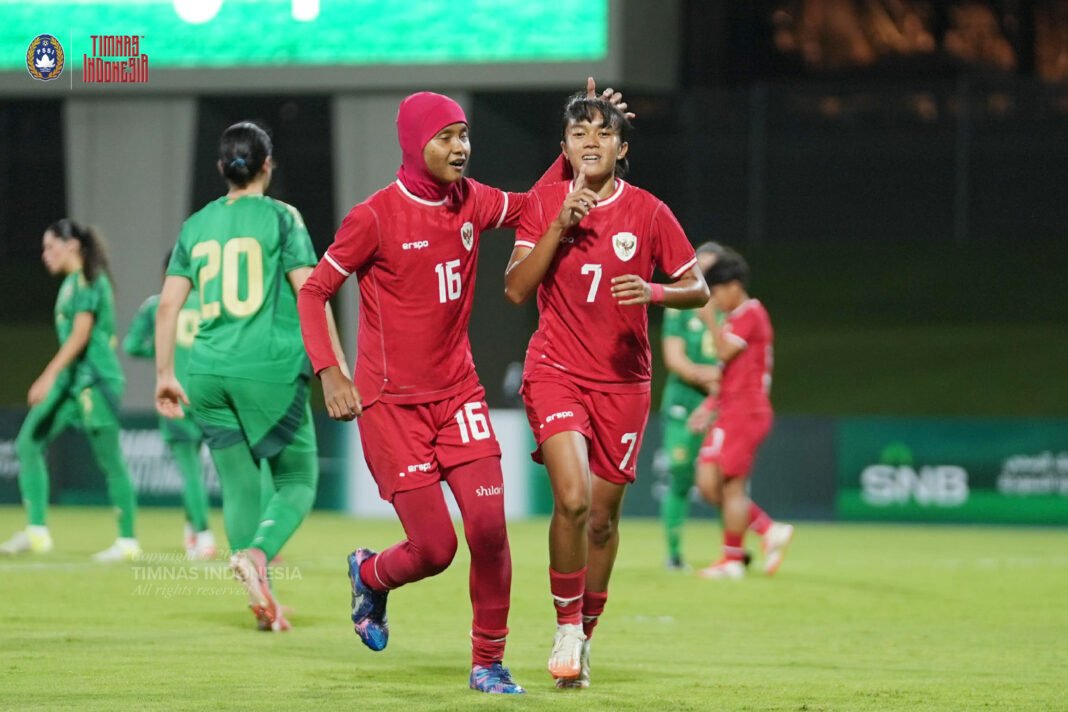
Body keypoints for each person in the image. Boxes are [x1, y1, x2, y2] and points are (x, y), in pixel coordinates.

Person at [298, 81, 628, 694]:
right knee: (434, 549)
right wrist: (331, 371)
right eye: (446, 137)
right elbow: (314, 290)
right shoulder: (374, 217)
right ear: (414, 143)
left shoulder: (472, 200)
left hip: (459, 397)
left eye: (464, 135)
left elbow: (534, 205)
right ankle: (370, 575)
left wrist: (580, 149)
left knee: (489, 529)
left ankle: (488, 663)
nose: (460, 147)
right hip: (392, 406)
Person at [503, 94, 709, 689]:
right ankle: (566, 628)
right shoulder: (545, 202)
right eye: (579, 132)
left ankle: (586, 633)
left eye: (602, 132)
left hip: (623, 381)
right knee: (571, 500)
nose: (590, 140)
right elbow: (515, 288)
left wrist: (655, 292)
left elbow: (696, 286)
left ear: (622, 148)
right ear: (564, 149)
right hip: (555, 370)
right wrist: (559, 224)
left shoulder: (649, 211)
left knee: (600, 519)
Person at [155, 121, 345, 631]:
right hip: (266, 366)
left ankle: (263, 600)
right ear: (267, 165)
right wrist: (335, 366)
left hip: (205, 371)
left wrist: (165, 374)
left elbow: (168, 305)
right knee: (297, 478)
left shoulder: (196, 224)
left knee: (238, 483)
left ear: (222, 168)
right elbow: (311, 292)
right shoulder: (283, 218)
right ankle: (259, 556)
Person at [0, 219, 141, 561]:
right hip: (70, 382)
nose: (45, 254)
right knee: (29, 442)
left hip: (94, 380)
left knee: (110, 460)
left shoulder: (90, 281)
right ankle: (37, 533)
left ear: (72, 246)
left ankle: (128, 542)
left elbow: (80, 336)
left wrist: (47, 375)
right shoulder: (69, 285)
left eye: (51, 247)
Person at [688, 248, 794, 580]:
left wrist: (708, 318)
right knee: (708, 484)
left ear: (734, 286)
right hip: (729, 409)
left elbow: (722, 352)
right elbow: (728, 371)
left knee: (732, 486)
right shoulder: (736, 319)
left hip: (746, 410)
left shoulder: (751, 314)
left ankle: (732, 559)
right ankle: (767, 529)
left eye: (717, 292)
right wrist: (709, 405)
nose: (715, 300)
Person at [123, 250, 216, 560]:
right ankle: (194, 533)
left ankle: (204, 535)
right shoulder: (212, 302)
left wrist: (164, 352)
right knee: (215, 470)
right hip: (211, 395)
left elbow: (132, 345)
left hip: (175, 396)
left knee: (190, 473)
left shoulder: (157, 304)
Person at [658, 241, 725, 571]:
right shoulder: (680, 305)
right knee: (681, 474)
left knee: (725, 479)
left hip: (721, 406)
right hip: (684, 406)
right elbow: (674, 359)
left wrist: (722, 386)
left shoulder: (732, 307)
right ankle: (673, 553)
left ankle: (732, 552)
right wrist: (714, 380)